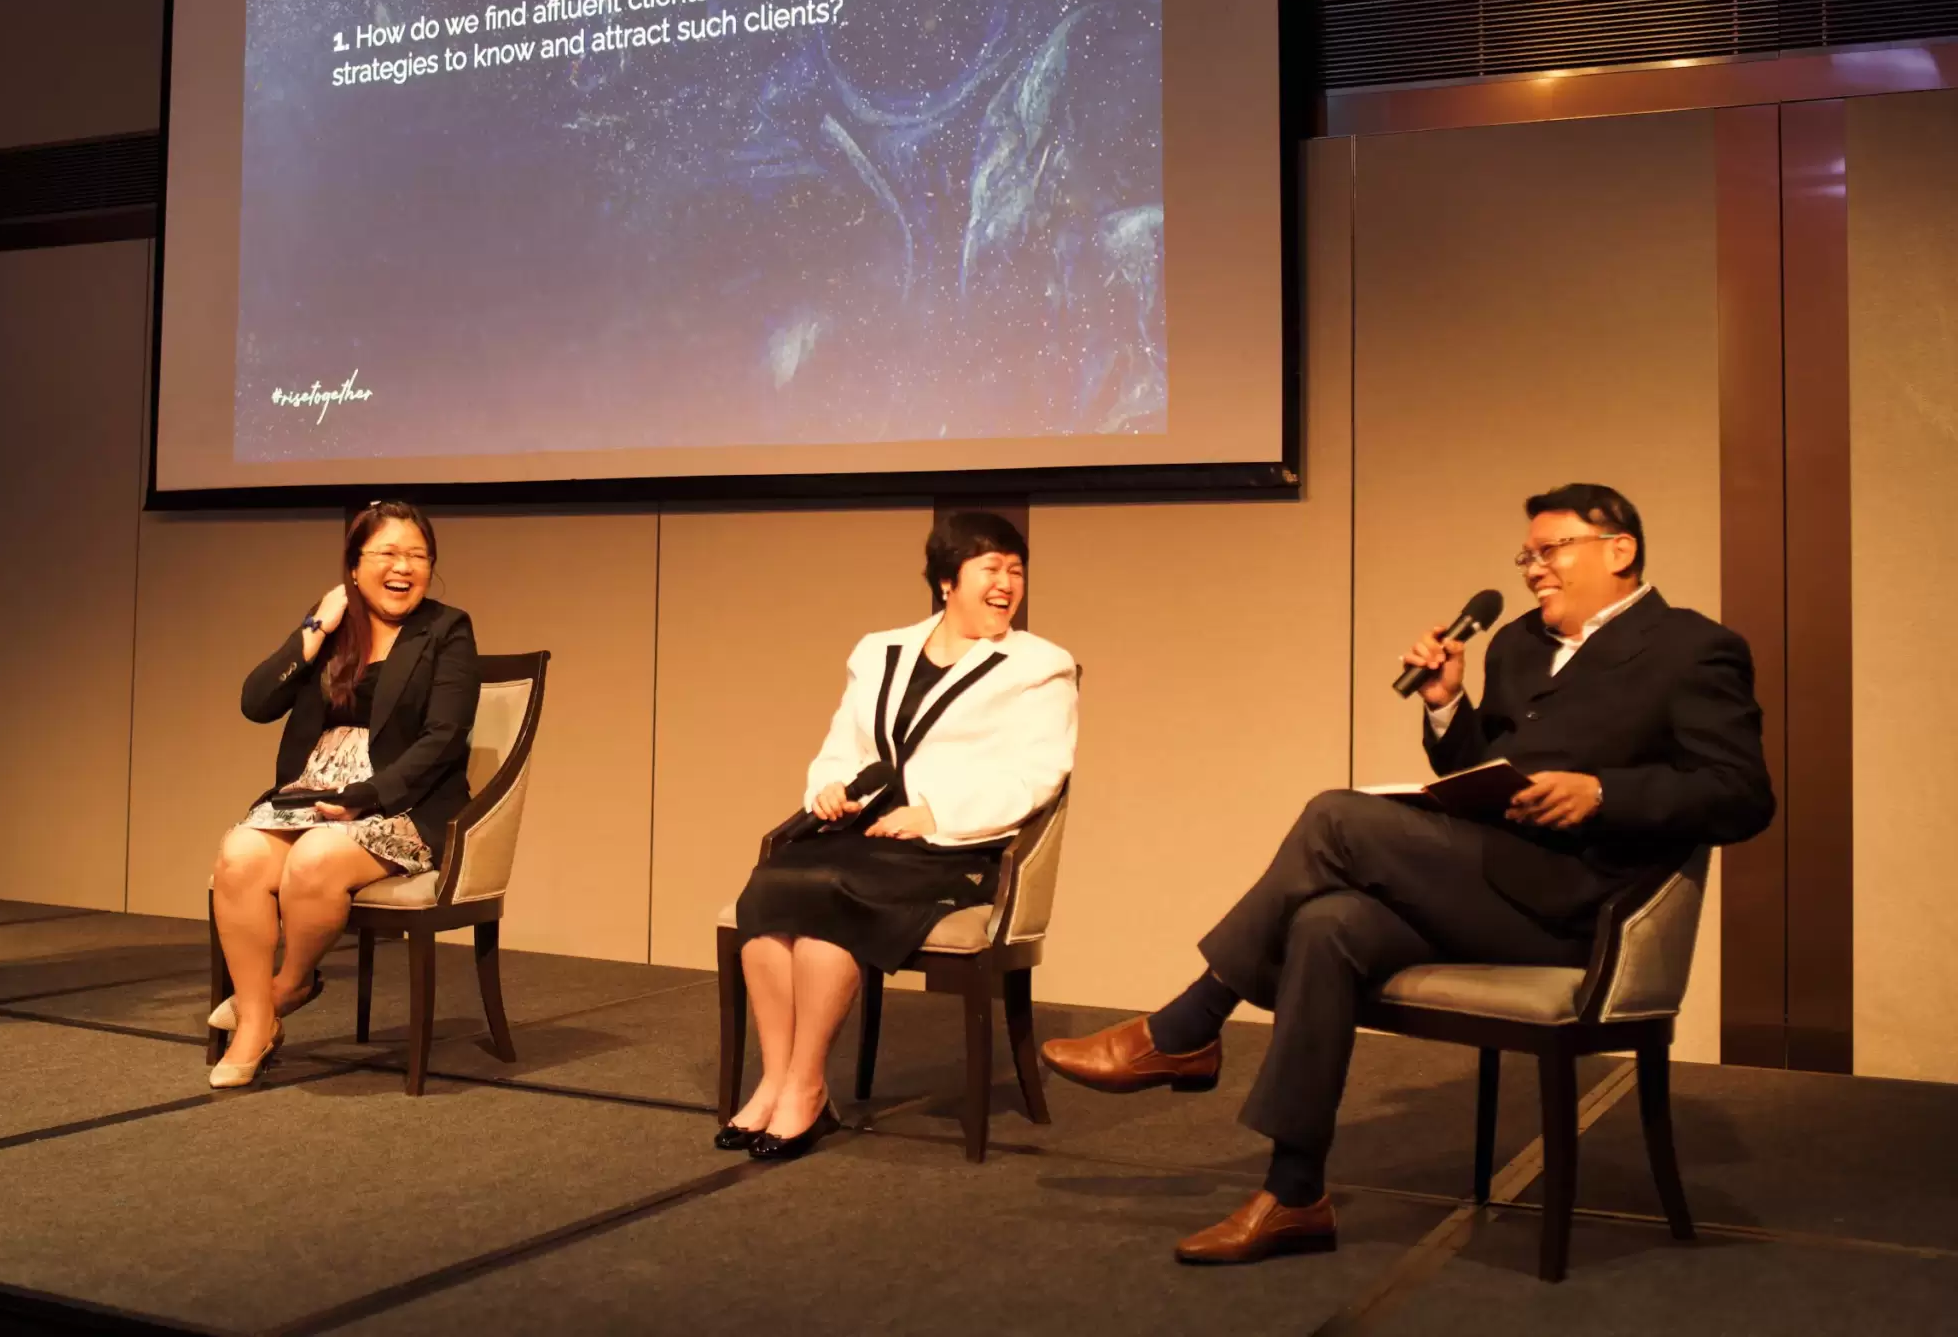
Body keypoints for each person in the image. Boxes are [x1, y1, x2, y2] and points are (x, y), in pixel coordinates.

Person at [1042, 484, 1773, 1263]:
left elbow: (1742, 794)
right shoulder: (1518, 644)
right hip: (1493, 886)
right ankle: (1294, 1193)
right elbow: (1482, 768)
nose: (1533, 569)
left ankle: (1187, 1026)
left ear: (1619, 549)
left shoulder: (1694, 647)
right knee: (1327, 924)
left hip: (1582, 910)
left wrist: (1603, 793)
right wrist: (1446, 705)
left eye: (1551, 549)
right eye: (1527, 555)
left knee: (1335, 815)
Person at [721, 511, 1079, 1161]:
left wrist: (935, 813)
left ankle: (806, 1089)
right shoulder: (878, 649)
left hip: (956, 845)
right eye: (990, 569)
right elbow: (844, 744)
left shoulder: (1038, 666)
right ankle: (775, 1081)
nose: (1006, 584)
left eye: (1016, 571)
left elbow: (1038, 777)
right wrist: (829, 787)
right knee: (773, 886)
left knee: (833, 897)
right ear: (947, 580)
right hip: (867, 833)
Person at [205, 501, 479, 1089]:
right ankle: (257, 1023)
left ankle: (288, 987)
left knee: (315, 859)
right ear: (354, 567)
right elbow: (256, 703)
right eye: (388, 554)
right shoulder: (332, 627)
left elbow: (444, 737)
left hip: (402, 802)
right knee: (238, 855)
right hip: (310, 795)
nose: (403, 567)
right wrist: (315, 627)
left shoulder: (446, 629)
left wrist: (366, 796)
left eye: (417, 556)